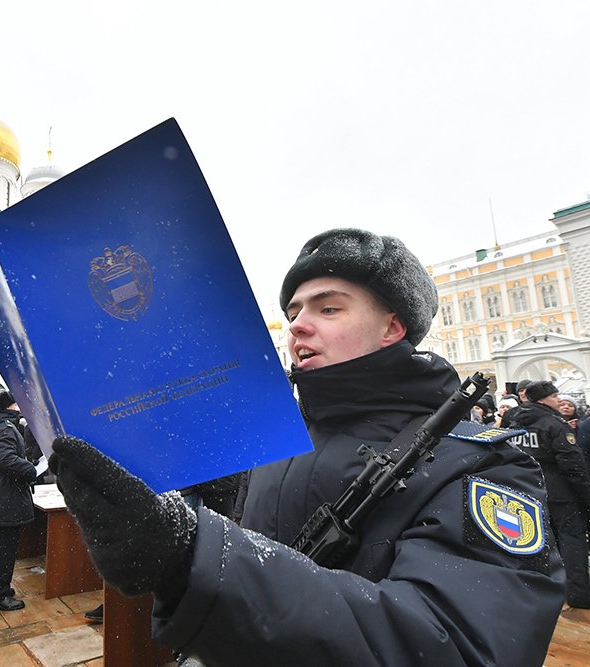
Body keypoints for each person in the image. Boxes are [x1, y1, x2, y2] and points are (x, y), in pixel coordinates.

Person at [49, 228, 564, 665]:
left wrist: (195, 557)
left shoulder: (482, 465)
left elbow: (460, 645)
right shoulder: (276, 441)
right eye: (294, 310)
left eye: (329, 307)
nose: (297, 324)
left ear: (393, 326)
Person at [501, 380, 590, 609]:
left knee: (531, 541)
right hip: (559, 493)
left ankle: (535, 590)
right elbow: (573, 465)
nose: (558, 399)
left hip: (525, 489)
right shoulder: (554, 424)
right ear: (542, 399)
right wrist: (585, 494)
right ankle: (578, 593)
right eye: (554, 396)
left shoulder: (513, 420)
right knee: (571, 539)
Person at [0, 389, 37, 611]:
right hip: (8, 493)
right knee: (4, 547)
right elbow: (5, 459)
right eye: (16, 404)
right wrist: (30, 469)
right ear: (9, 407)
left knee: (2, 545)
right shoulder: (6, 428)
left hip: (4, 492)